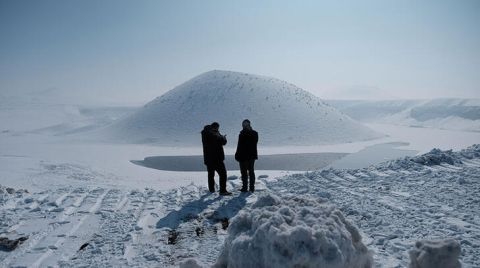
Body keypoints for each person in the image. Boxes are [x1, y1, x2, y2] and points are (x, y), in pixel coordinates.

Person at [201, 122, 232, 195]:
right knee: (223, 174)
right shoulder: (213, 134)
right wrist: (223, 137)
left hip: (208, 159)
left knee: (211, 174)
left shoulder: (205, 133)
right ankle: (222, 190)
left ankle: (211, 190)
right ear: (215, 127)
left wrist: (221, 137)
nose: (218, 129)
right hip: (216, 158)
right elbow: (222, 142)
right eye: (217, 127)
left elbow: (220, 142)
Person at [235, 119, 258, 192]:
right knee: (244, 172)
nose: (244, 126)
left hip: (250, 156)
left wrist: (248, 132)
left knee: (250, 172)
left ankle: (251, 188)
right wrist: (237, 154)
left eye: (246, 124)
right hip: (242, 156)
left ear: (249, 125)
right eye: (243, 124)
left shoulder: (254, 133)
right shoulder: (241, 134)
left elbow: (254, 142)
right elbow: (239, 145)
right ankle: (245, 187)